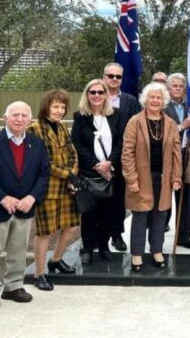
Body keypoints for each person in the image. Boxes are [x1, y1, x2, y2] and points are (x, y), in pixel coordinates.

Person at [0, 102, 50, 311]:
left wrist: (32, 197)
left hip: (25, 208)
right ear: (5, 118)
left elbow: (44, 173)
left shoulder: (37, 143)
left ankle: (13, 286)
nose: (19, 119)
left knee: (18, 250)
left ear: (30, 119)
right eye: (15, 115)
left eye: (24, 115)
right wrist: (2, 197)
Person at [122, 83, 182, 271]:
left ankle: (157, 250)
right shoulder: (135, 121)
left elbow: (176, 153)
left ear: (163, 101)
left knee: (160, 214)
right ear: (145, 100)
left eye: (158, 97)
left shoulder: (171, 123)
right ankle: (137, 254)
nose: (155, 100)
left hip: (163, 178)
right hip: (141, 178)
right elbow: (127, 153)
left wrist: (176, 177)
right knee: (140, 215)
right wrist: (131, 178)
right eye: (152, 97)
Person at [27, 90, 79, 291]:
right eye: (55, 106)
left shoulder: (62, 127)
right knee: (45, 232)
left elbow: (72, 151)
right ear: (46, 106)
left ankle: (56, 259)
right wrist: (68, 174)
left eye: (62, 107)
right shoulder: (35, 129)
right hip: (47, 189)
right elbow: (43, 162)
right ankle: (39, 273)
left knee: (71, 227)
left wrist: (73, 172)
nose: (59, 110)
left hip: (66, 188)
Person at [72, 79, 122, 265]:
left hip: (111, 173)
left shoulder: (115, 115)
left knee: (109, 215)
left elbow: (120, 142)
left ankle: (104, 246)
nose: (96, 96)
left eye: (100, 92)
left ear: (106, 95)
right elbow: (77, 144)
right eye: (92, 92)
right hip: (89, 174)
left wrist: (110, 164)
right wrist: (97, 165)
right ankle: (87, 248)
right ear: (87, 95)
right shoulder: (80, 117)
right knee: (89, 215)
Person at [103, 62, 141, 252]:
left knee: (118, 200)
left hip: (121, 156)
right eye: (111, 76)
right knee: (97, 201)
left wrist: (116, 157)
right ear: (104, 77)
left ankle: (116, 235)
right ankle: (96, 238)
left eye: (118, 77)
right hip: (97, 160)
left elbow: (134, 129)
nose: (114, 80)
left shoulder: (130, 101)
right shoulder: (94, 96)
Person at [163, 73, 190, 249]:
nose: (177, 89)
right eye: (174, 86)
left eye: (180, 86)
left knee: (185, 199)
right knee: (164, 198)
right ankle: (159, 234)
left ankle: (183, 235)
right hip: (166, 158)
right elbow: (161, 132)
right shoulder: (161, 106)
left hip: (186, 156)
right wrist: (181, 126)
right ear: (168, 88)